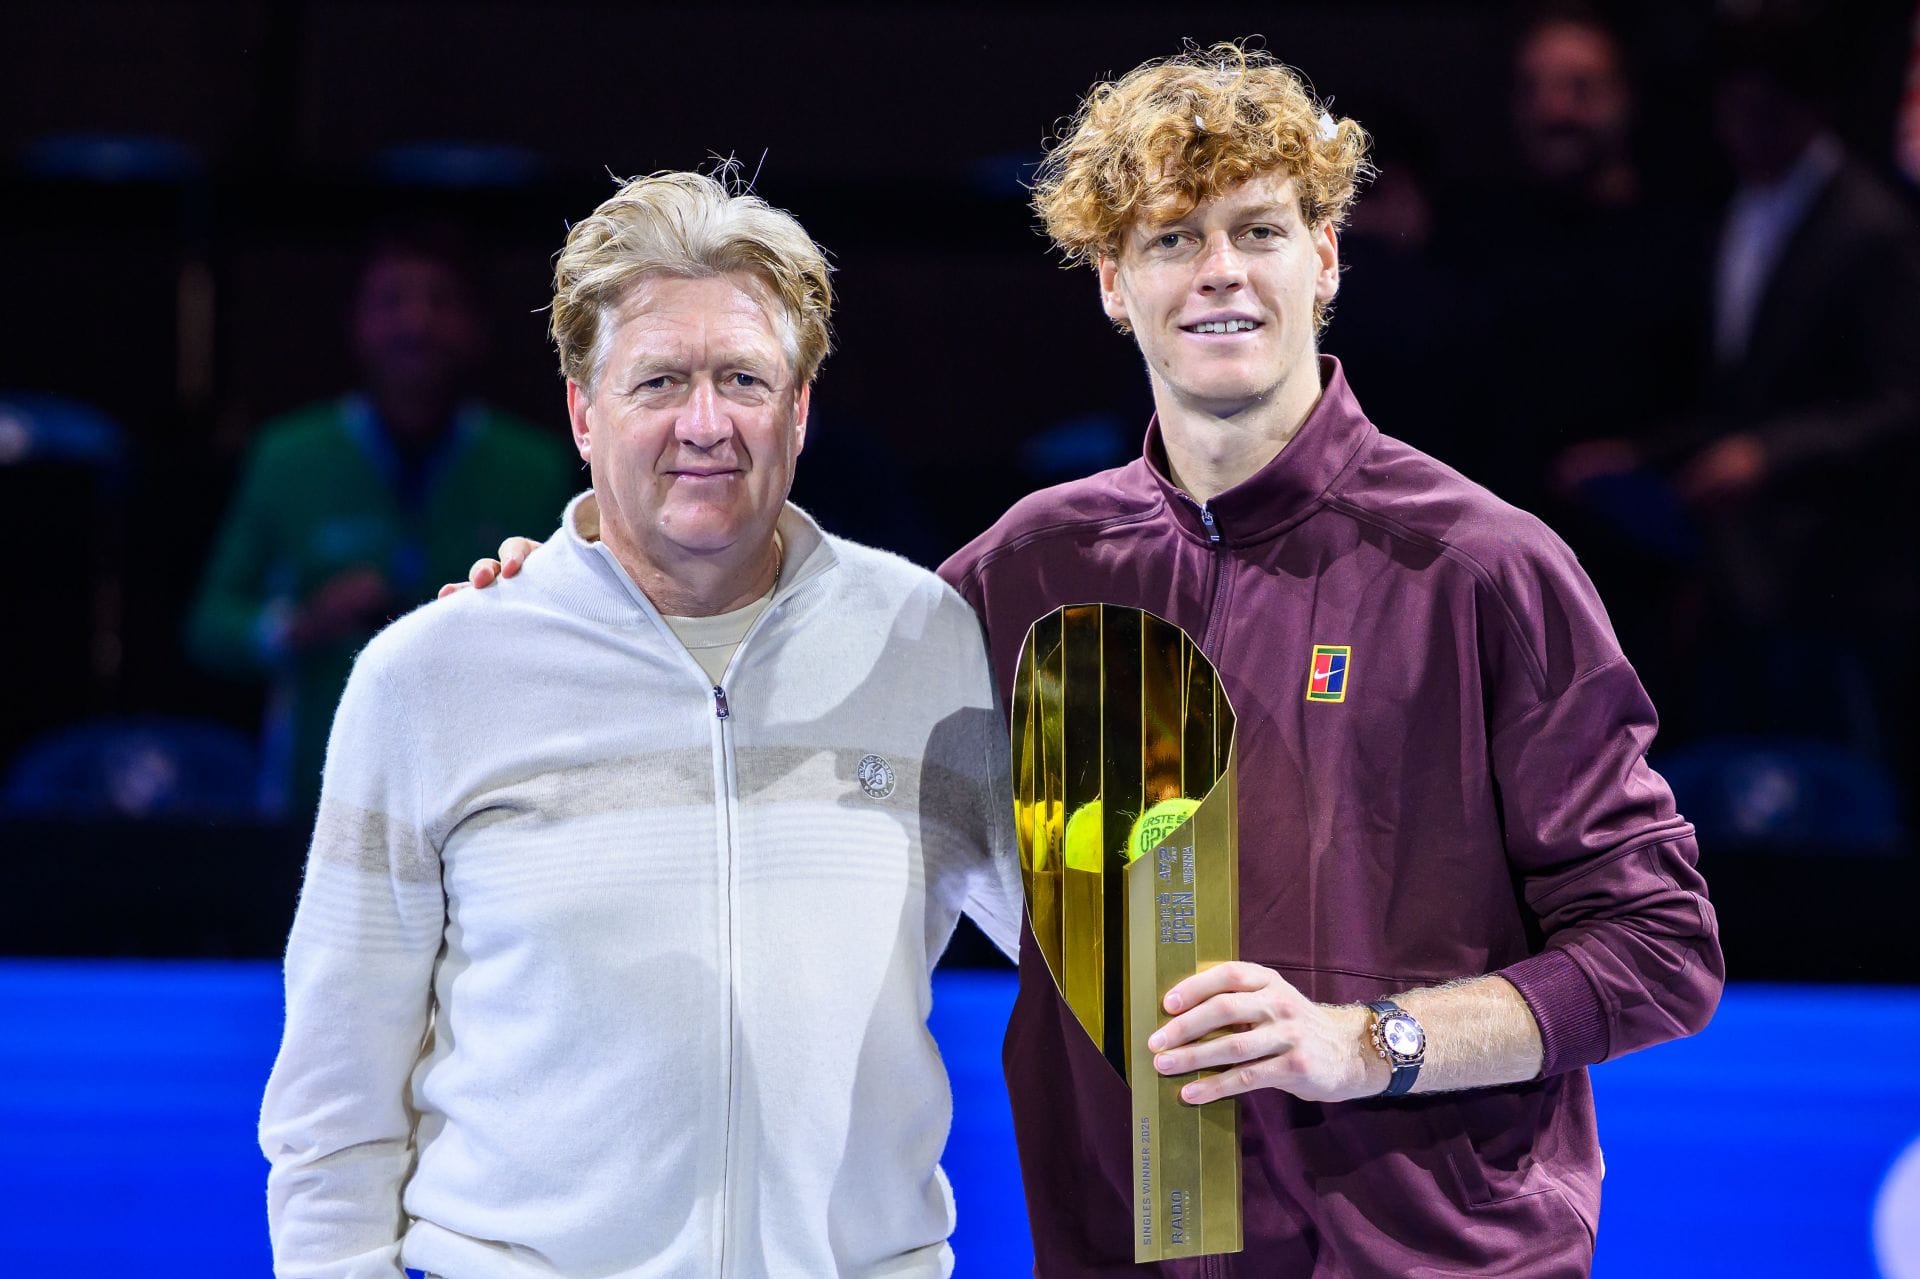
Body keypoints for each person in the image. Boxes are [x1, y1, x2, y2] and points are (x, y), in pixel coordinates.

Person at [939, 45, 1721, 1275]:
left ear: (1329, 257)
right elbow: (780, 711)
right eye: (1171, 239)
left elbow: (1658, 949)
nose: (1220, 274)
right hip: (1129, 1250)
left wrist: (1371, 1042)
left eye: (1259, 229)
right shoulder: (1025, 571)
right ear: (1109, 281)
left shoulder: (1482, 567)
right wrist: (559, 586)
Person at [259, 172, 1022, 1278]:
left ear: (800, 408)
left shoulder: (923, 640)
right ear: (582, 409)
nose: (704, 423)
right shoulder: (430, 678)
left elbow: (1088, 941)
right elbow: (336, 1093)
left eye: (743, 379)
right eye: (658, 379)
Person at [187, 226, 576, 815]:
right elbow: (210, 626)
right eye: (391, 300)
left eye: (440, 301)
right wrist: (298, 625)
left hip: (487, 790)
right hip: (317, 795)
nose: (415, 323)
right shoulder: (287, 456)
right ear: (357, 325)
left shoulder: (537, 466)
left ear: (476, 328)